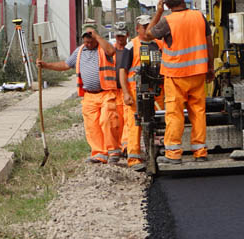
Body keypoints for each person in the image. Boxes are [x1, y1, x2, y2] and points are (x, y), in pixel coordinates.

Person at [38, 25, 120, 164]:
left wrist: (97, 36)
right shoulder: (80, 51)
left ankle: (113, 151)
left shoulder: (103, 48)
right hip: (89, 95)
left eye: (90, 41)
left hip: (106, 93)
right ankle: (99, 153)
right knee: (92, 126)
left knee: (107, 121)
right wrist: (46, 65)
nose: (88, 44)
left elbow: (112, 51)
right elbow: (65, 65)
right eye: (85, 41)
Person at [149, 0, 212, 163]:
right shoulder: (199, 16)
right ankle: (200, 152)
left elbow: (148, 35)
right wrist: (211, 67)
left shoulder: (167, 21)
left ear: (167, 5)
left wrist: (158, 12)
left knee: (175, 113)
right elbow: (209, 43)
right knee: (198, 112)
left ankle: (173, 154)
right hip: (198, 72)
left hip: (176, 74)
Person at [116, 15, 156, 170]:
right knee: (134, 124)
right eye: (144, 26)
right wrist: (126, 93)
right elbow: (122, 71)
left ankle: (163, 152)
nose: (146, 29)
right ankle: (133, 157)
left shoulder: (158, 44)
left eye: (149, 26)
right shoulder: (131, 46)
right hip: (136, 92)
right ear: (137, 28)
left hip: (156, 91)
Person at [106, 23, 131, 163]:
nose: (120, 38)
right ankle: (116, 146)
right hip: (113, 90)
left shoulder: (130, 50)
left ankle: (126, 146)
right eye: (118, 36)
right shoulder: (110, 51)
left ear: (127, 35)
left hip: (126, 90)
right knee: (115, 120)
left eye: (122, 35)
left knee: (128, 118)